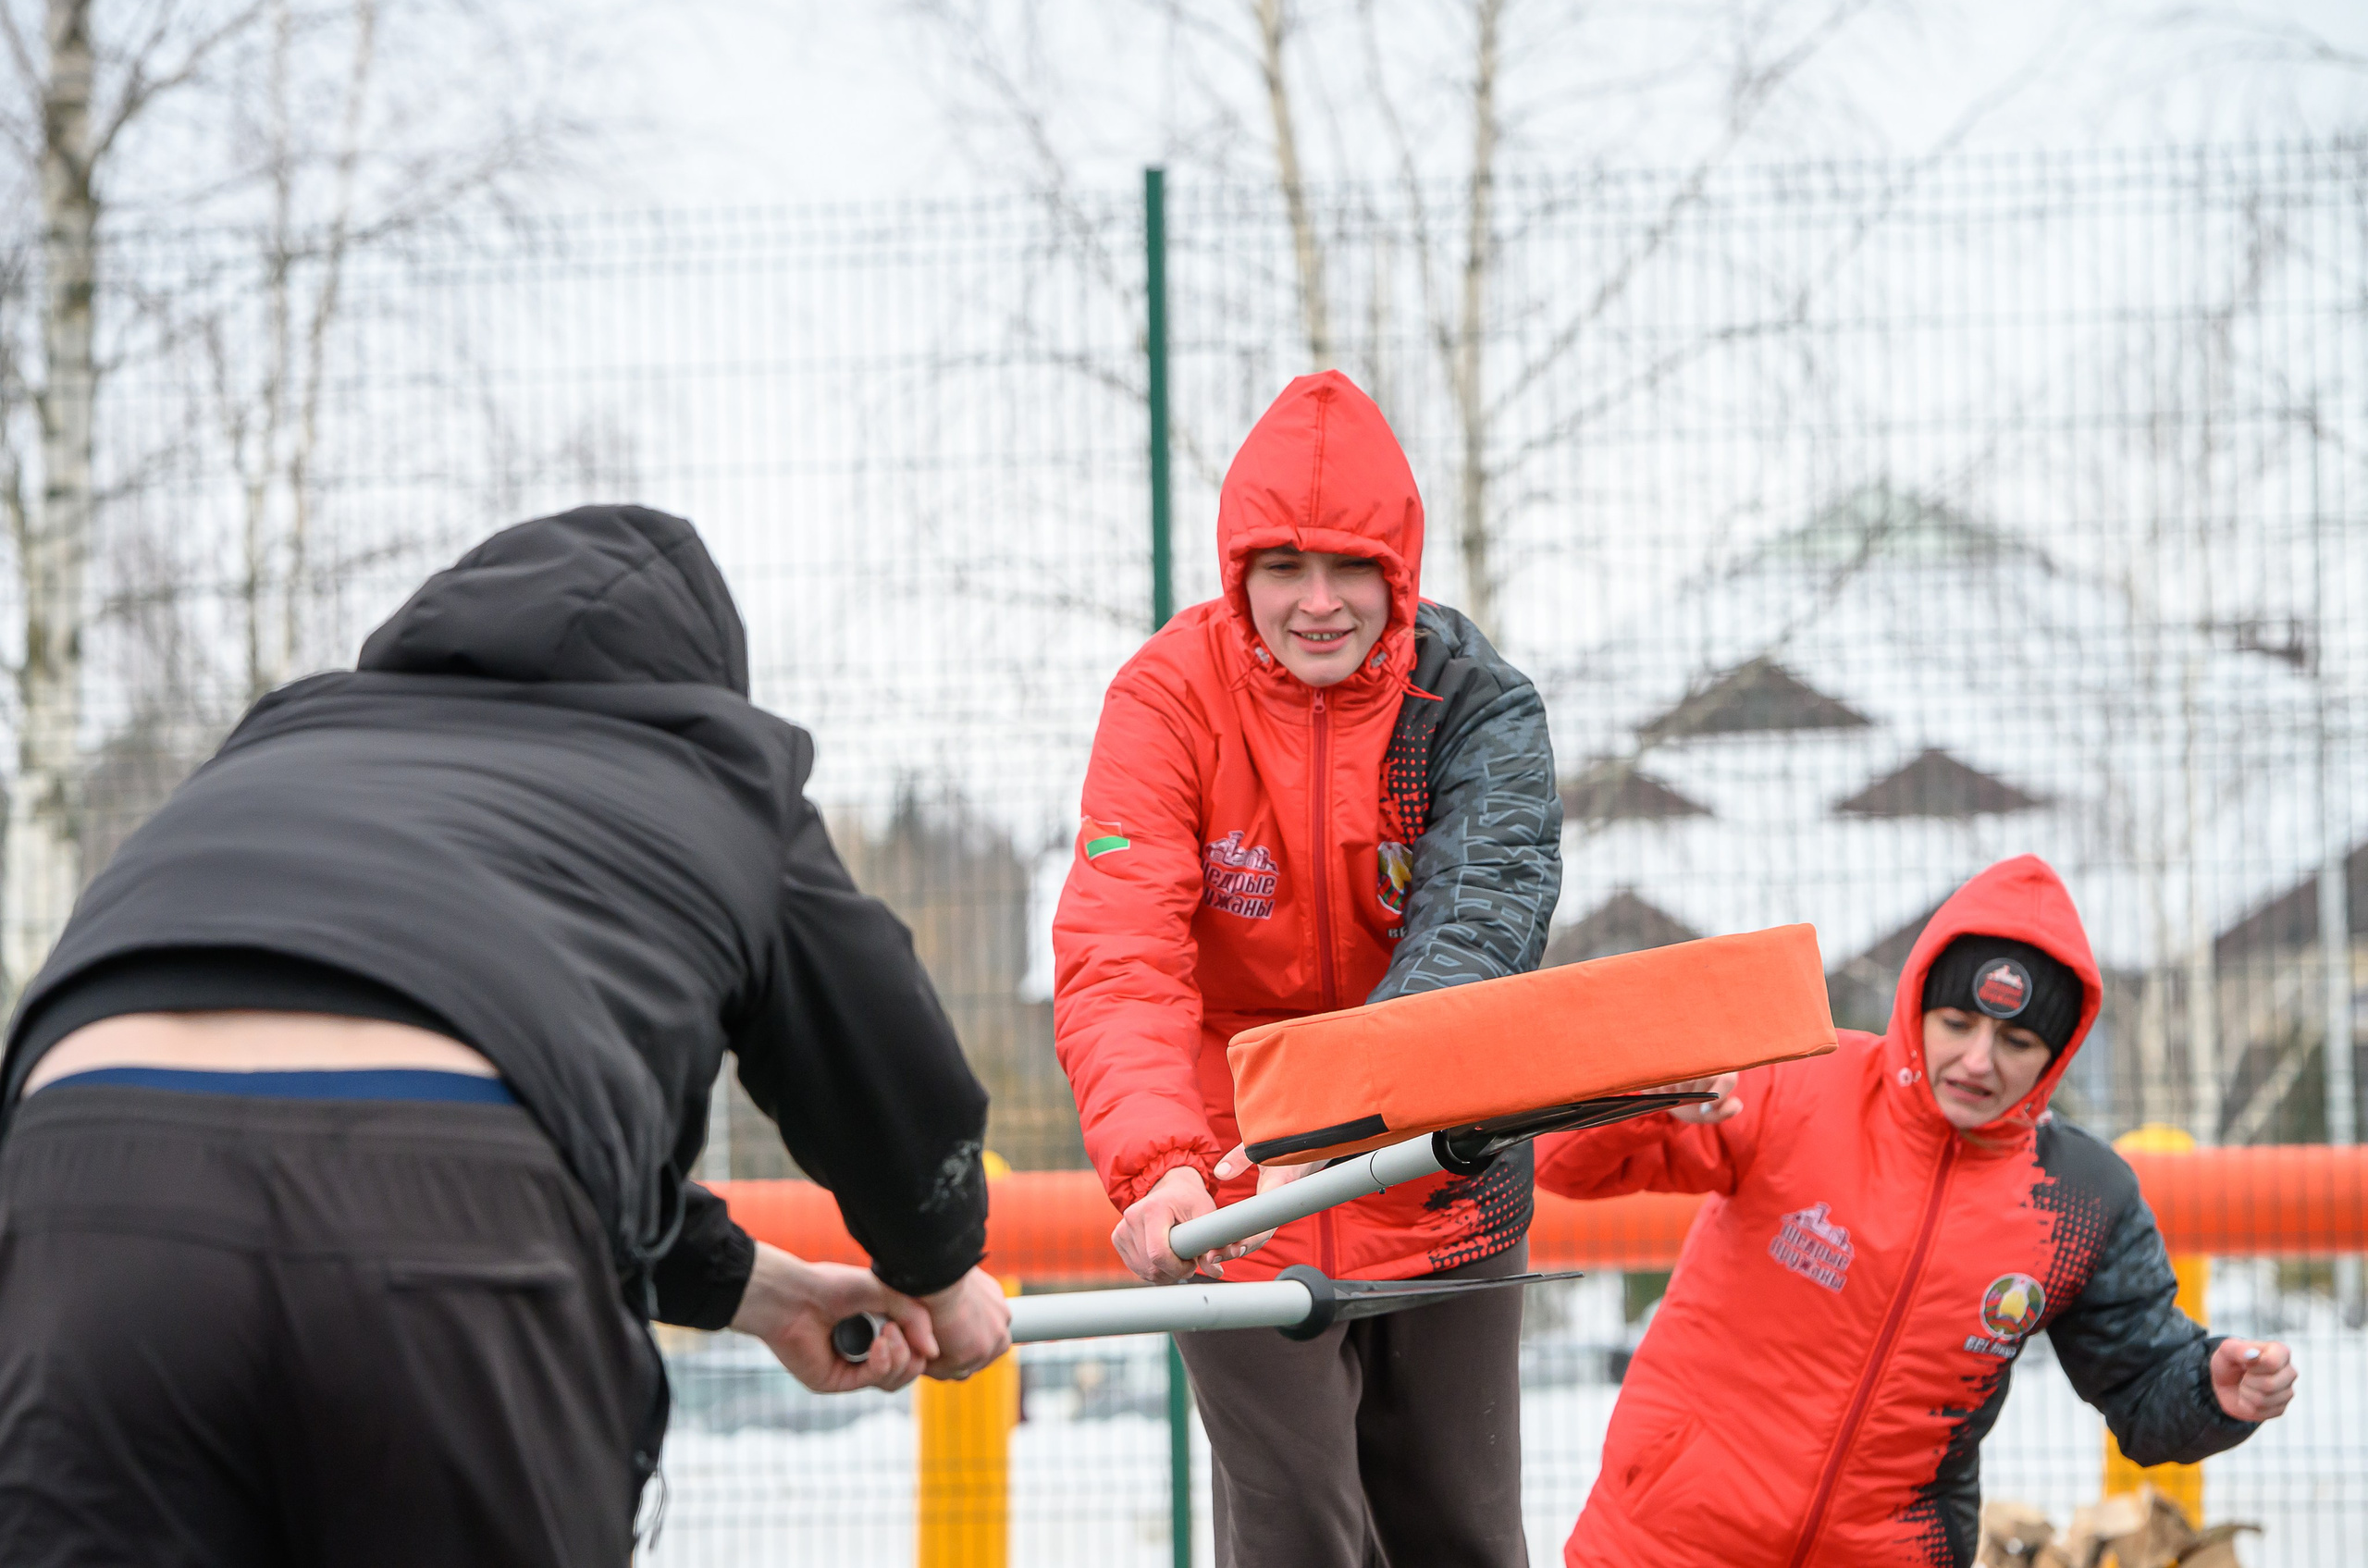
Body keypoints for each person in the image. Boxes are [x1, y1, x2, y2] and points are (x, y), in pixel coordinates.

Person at [0, 506, 1012, 1568]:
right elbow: (879, 1054)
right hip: (444, 1200)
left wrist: (763, 1293)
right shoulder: (713, 770)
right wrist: (939, 1270)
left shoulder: (291, 735)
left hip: (75, 1185)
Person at [1053, 371, 1563, 1567]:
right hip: (1236, 1173)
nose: (1319, 603)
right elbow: (1121, 950)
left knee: (1459, 1525)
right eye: (1284, 567)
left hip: (1438, 1148)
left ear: (1404, 569)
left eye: (1352, 569)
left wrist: (1373, 1098)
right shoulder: (1168, 696)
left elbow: (1478, 925)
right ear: (1239, 573)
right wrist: (1159, 1164)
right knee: (1295, 1527)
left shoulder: (1472, 705)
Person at [1536, 854, 2298, 1568]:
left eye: (2017, 1039)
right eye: (1959, 1023)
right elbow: (1560, 1164)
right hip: (1665, 1538)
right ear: (1920, 1005)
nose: (1978, 1060)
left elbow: (2142, 1381)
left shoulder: (2080, 1200)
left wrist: (2211, 1389)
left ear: (2056, 1054)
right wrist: (1650, 1099)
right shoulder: (1800, 1080)